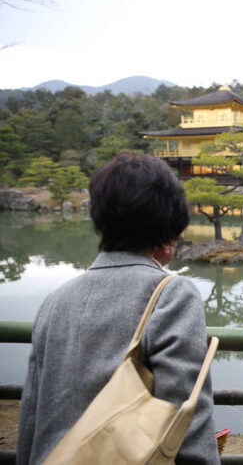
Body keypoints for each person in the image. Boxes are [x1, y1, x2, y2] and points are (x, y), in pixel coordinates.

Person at [17, 153, 220, 464]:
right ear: (168, 227)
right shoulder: (172, 294)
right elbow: (186, 421)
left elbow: (31, 416)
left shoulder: (54, 301)